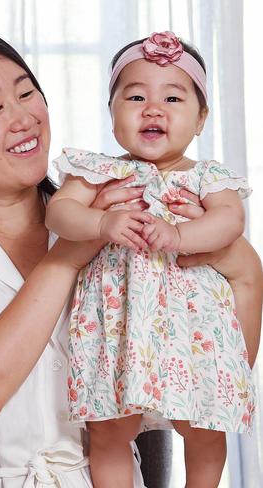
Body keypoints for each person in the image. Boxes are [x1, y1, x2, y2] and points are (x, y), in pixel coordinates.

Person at [0, 25, 262, 487]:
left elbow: (211, 369)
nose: (23, 117)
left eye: (27, 93)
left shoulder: (124, 214)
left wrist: (239, 266)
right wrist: (68, 256)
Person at [44, 31, 261, 487]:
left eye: (173, 98)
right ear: (112, 112)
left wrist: (180, 233)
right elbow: (59, 212)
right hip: (119, 333)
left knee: (204, 431)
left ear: (201, 119)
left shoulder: (207, 178)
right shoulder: (99, 172)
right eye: (136, 95)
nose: (153, 109)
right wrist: (101, 224)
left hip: (195, 337)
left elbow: (229, 222)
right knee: (107, 432)